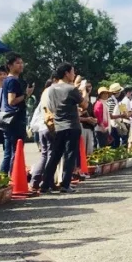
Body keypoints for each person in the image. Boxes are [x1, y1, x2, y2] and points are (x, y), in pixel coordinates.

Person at [41, 63, 87, 194]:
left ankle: (45, 184)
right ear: (67, 73)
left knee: (55, 155)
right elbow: (84, 104)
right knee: (70, 155)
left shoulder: (50, 89)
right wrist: (83, 91)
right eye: (73, 72)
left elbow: (51, 107)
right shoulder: (71, 89)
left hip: (58, 125)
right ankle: (65, 184)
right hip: (72, 125)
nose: (74, 74)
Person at [1, 53, 34, 175]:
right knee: (16, 150)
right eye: (17, 63)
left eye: (22, 62)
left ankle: (4, 177)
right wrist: (26, 95)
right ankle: (14, 176)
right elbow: (12, 101)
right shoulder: (12, 81)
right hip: (15, 119)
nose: (21, 65)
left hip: (10, 120)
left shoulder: (7, 81)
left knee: (9, 152)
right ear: (9, 65)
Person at [29, 79, 54, 190]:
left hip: (41, 129)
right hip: (50, 128)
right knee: (51, 156)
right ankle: (48, 182)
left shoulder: (42, 99)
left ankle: (35, 181)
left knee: (44, 155)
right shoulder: (52, 97)